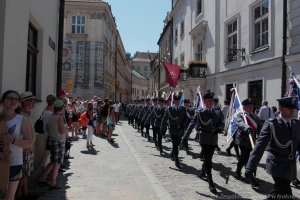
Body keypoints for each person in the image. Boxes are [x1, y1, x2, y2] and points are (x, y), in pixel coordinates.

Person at [245, 96, 300, 199]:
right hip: (276, 164)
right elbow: (260, 146)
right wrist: (250, 166)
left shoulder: (297, 124)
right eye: (289, 108)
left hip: (290, 166)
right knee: (286, 192)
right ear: (280, 108)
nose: (292, 110)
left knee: (278, 192)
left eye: (293, 108)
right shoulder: (271, 124)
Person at [185, 90, 224, 193]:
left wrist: (219, 128)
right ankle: (211, 182)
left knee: (208, 158)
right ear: (205, 102)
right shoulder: (200, 112)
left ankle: (202, 172)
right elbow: (192, 124)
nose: (211, 102)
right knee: (208, 160)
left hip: (214, 139)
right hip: (204, 139)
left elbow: (222, 122)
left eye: (212, 101)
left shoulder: (217, 112)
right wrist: (185, 137)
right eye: (209, 101)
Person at [1, 90, 32, 200]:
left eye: (16, 99)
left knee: (9, 197)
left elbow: (29, 142)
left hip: (14, 163)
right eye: (10, 98)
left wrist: (12, 140)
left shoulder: (21, 120)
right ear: (3, 101)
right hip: (0, 161)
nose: (13, 101)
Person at [39, 100, 67, 189]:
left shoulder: (51, 116)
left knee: (52, 162)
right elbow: (62, 131)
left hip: (52, 140)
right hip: (58, 141)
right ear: (61, 108)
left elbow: (47, 128)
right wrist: (66, 128)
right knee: (57, 163)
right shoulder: (59, 118)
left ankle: (42, 178)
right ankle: (53, 182)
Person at [234, 98, 261, 186]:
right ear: (244, 107)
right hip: (243, 139)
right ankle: (250, 177)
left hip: (252, 140)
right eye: (249, 106)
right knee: (247, 157)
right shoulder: (241, 115)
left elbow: (259, 127)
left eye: (252, 106)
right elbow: (240, 123)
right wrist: (247, 128)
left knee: (246, 158)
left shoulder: (255, 116)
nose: (251, 107)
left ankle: (238, 171)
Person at [17, 91, 38, 199]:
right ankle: (19, 194)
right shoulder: (21, 115)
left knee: (26, 173)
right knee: (23, 174)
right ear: (23, 102)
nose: (33, 102)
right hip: (24, 149)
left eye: (33, 100)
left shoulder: (27, 114)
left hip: (28, 148)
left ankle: (25, 192)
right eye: (31, 100)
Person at [161, 95, 187, 169]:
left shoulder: (183, 109)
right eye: (175, 101)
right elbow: (164, 119)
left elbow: (185, 118)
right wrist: (162, 129)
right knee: (175, 145)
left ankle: (173, 154)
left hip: (180, 130)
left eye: (178, 101)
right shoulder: (169, 109)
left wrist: (183, 125)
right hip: (172, 130)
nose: (177, 103)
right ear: (173, 101)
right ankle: (176, 160)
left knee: (177, 144)